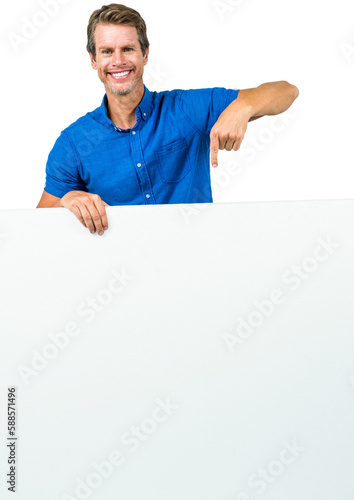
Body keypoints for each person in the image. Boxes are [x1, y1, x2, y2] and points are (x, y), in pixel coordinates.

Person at [37, 3, 299, 236]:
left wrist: (243, 107)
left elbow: (286, 91)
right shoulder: (73, 143)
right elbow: (35, 227)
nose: (118, 61)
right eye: (107, 52)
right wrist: (64, 202)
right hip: (120, 275)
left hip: (196, 266)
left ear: (145, 54)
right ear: (93, 60)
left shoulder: (185, 110)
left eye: (128, 49)